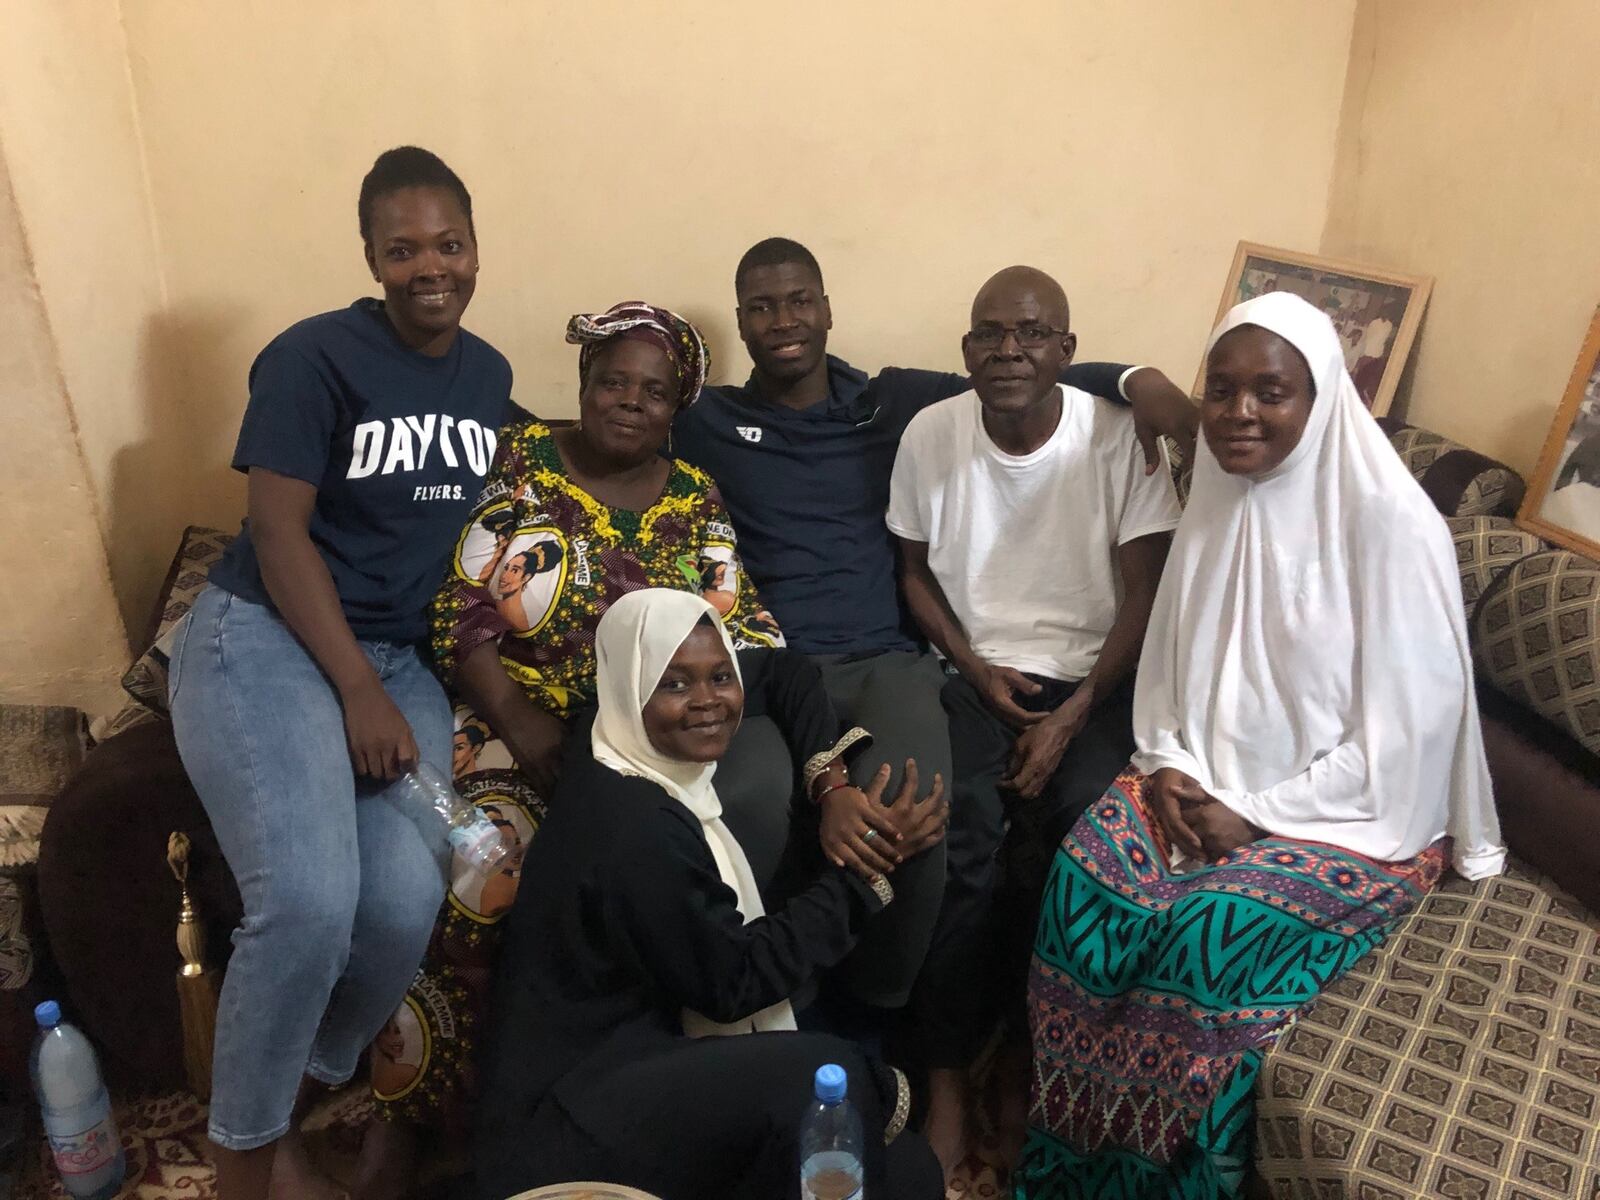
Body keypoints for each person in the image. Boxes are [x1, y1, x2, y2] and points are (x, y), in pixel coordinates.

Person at [356, 302, 916, 1196]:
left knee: (698, 845)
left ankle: (661, 1077)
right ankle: (420, 1116)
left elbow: (741, 631)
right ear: (582, 386)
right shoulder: (524, 464)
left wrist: (815, 765)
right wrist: (522, 723)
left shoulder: (694, 496)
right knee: (474, 875)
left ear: (676, 408)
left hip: (647, 730)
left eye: (653, 392)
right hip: (512, 720)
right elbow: (460, 608)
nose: (629, 402)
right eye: (612, 381)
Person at [1017, 291, 1505, 1200]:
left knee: (1211, 930)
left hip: (1350, 810)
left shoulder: (1392, 526)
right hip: (1202, 772)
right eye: (1222, 390)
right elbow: (1175, 665)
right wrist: (1172, 766)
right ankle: (1067, 1165)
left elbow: (1407, 738)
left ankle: (1171, 1181)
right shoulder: (1219, 492)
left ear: (1319, 402)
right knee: (1088, 876)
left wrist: (1259, 815)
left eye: (1271, 392)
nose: (1241, 413)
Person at [671, 237, 1200, 1015]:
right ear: (742, 327)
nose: (783, 320)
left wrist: (1137, 379)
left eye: (800, 300)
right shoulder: (707, 418)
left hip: (889, 660)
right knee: (758, 796)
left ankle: (884, 1017)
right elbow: (621, 414)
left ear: (827, 309)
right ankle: (763, 1005)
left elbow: (1019, 376)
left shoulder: (889, 403)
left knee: (917, 810)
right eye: (760, 307)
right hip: (771, 663)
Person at [165, 146, 512, 1200]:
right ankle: (242, 1175)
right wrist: (356, 687)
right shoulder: (310, 358)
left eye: (447, 244)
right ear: (370, 257)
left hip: (393, 656)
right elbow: (278, 535)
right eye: (401, 249)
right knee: (310, 901)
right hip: (265, 638)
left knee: (408, 901)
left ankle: (278, 1123)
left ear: (474, 247)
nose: (428, 268)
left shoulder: (489, 378)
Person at [474, 589, 949, 1200]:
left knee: (910, 1175)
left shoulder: (611, 750)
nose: (708, 702)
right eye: (674, 685)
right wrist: (867, 870)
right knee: (827, 1079)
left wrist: (828, 782)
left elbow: (782, 668)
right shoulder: (633, 825)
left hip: (638, 1060)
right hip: (569, 1115)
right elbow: (735, 982)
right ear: (631, 689)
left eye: (721, 676)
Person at [887, 265, 1183, 1179]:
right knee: (956, 827)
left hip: (1097, 679)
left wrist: (1076, 713)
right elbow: (912, 572)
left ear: (1067, 349)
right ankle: (943, 1067)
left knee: (1080, 823)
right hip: (974, 675)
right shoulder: (930, 432)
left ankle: (1023, 1054)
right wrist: (975, 669)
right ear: (966, 347)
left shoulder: (1117, 438)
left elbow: (1145, 591)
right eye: (987, 332)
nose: (1006, 350)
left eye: (1029, 333)